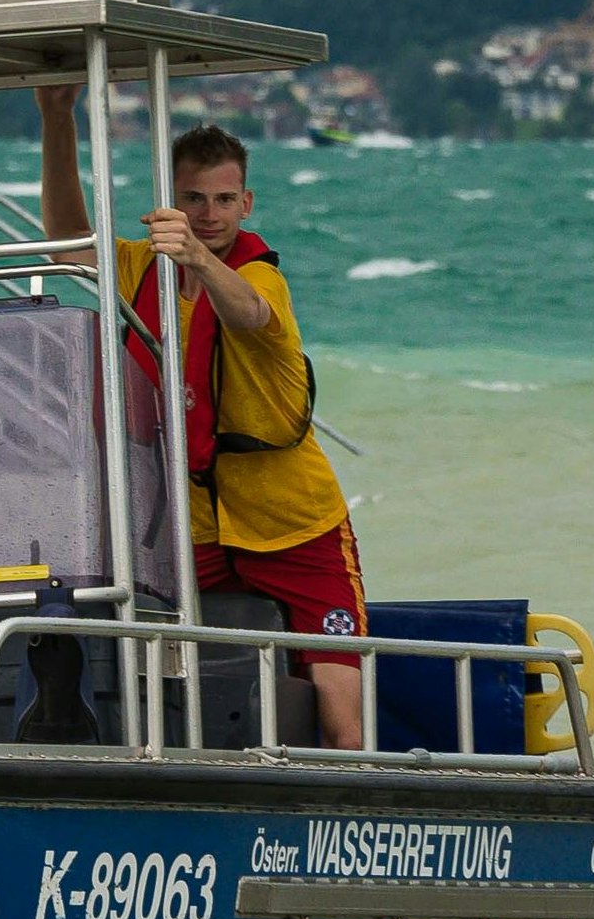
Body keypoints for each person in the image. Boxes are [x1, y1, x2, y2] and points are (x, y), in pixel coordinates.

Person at [37, 84, 369, 748]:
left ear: (245, 204)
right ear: (170, 201)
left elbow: (249, 311)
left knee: (339, 710)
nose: (209, 213)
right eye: (194, 199)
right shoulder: (139, 268)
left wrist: (198, 258)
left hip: (292, 522)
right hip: (194, 530)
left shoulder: (261, 276)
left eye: (223, 200)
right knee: (139, 656)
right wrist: (56, 117)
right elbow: (65, 242)